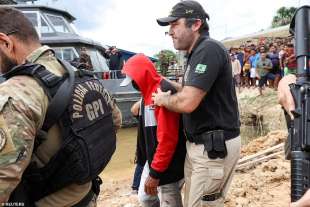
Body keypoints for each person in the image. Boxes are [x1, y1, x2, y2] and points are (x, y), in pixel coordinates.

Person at [0, 7, 122, 206]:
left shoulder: (15, 93)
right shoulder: (80, 74)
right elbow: (114, 122)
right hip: (86, 195)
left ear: (5, 43)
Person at [153, 1, 241, 206]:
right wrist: (158, 82)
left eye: (175, 25)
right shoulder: (196, 53)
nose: (170, 32)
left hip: (212, 149)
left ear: (195, 24)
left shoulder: (207, 50)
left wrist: (162, 99)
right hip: (201, 146)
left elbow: (187, 102)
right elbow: (187, 89)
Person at [120, 54, 186, 207]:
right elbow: (145, 131)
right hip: (153, 160)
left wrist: (156, 173)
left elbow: (168, 139)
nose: (133, 85)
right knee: (145, 198)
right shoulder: (146, 95)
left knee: (170, 201)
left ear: (142, 75)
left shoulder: (162, 92)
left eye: (134, 80)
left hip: (169, 165)